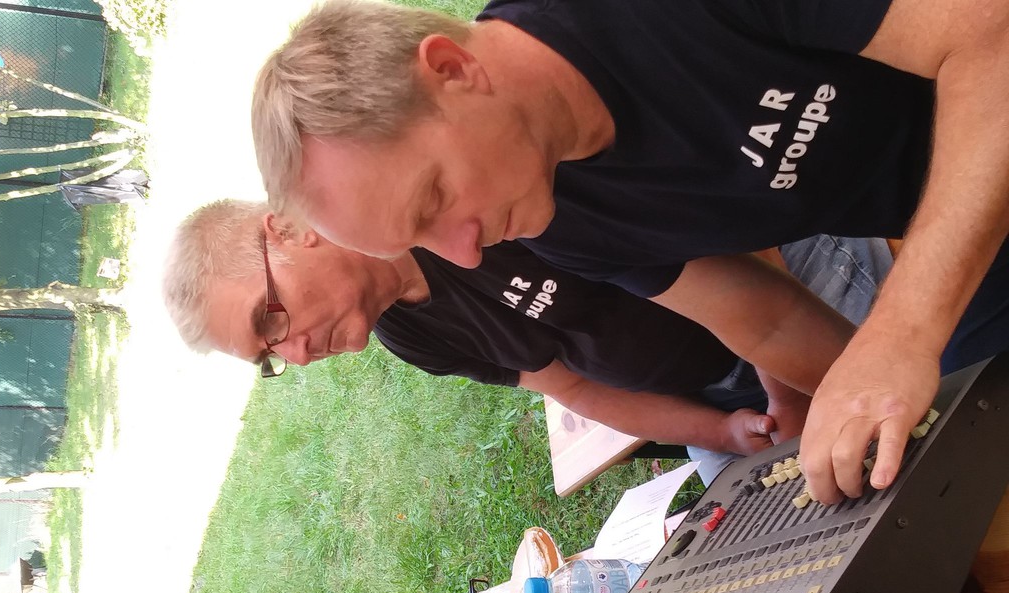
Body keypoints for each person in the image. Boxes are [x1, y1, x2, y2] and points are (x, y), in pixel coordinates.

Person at [250, 0, 1009, 506]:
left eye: (434, 199)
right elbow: (762, 318)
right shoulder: (552, 217)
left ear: (452, 69)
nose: (465, 255)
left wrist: (901, 334)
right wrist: (872, 410)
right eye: (417, 240)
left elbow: (990, 36)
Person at [162, 201, 885, 483]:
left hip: (793, 285)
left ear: (288, 231)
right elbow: (575, 389)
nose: (294, 354)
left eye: (269, 319)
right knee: (772, 547)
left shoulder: (458, 200)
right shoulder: (408, 335)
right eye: (269, 358)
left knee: (910, 424)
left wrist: (786, 390)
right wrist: (720, 431)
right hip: (719, 395)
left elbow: (722, 237)